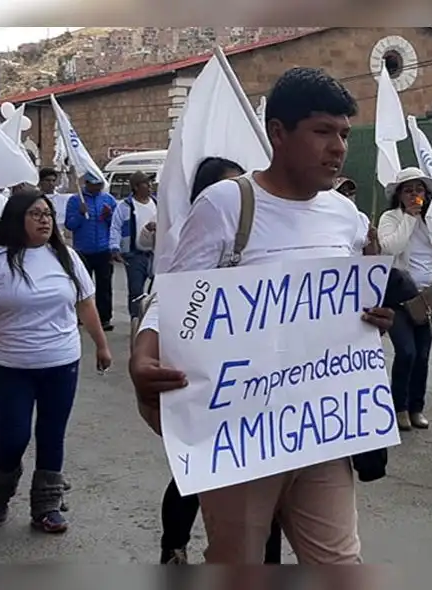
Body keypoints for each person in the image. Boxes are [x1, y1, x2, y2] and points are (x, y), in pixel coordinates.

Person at [129, 67, 394, 564]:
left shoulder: (345, 216)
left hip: (321, 427)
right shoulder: (229, 204)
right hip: (241, 432)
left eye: (343, 134)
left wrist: (370, 317)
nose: (337, 147)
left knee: (340, 564)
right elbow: (174, 299)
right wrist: (142, 354)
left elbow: (349, 303)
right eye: (322, 131)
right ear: (278, 132)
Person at [153, 156, 284, 565]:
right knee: (196, 471)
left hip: (260, 376)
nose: (239, 195)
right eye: (228, 186)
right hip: (211, 376)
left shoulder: (262, 231)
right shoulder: (186, 237)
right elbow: (169, 305)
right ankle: (174, 546)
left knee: (266, 478)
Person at [0, 187, 111, 534]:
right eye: (35, 214)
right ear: (17, 219)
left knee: (52, 433)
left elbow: (86, 303)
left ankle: (46, 506)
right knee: (13, 437)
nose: (44, 220)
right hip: (9, 365)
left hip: (61, 361)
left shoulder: (66, 257)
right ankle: (1, 492)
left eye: (47, 214)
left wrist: (101, 345)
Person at [377, 167, 432, 431]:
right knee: (406, 352)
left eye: (419, 190)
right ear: (399, 195)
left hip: (427, 299)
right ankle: (399, 407)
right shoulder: (391, 218)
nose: (414, 195)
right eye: (408, 190)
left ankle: (416, 407)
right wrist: (409, 218)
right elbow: (389, 248)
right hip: (399, 299)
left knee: (422, 355)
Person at [64, 172, 117, 331]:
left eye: (100, 184)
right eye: (94, 184)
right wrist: (80, 214)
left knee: (104, 286)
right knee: (81, 286)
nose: (98, 187)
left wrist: (109, 216)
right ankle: (81, 316)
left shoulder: (108, 200)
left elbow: (115, 225)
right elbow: (70, 225)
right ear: (87, 184)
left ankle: (104, 318)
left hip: (103, 249)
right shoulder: (75, 200)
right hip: (83, 250)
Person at [109, 171, 157, 328]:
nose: (150, 186)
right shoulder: (125, 206)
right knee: (136, 291)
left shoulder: (156, 203)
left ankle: (151, 322)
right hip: (134, 255)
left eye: (150, 183)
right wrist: (115, 248)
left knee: (156, 289)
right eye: (146, 183)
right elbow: (115, 227)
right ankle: (136, 321)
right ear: (136, 187)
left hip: (155, 254)